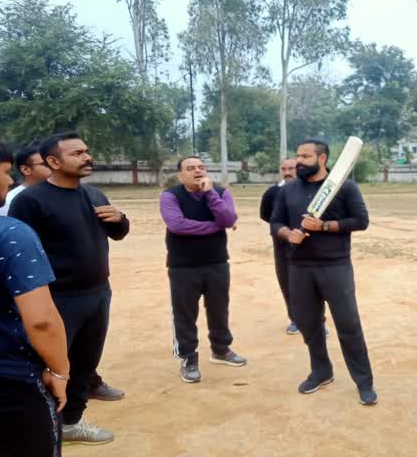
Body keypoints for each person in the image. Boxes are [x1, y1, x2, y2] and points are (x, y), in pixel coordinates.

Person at [9, 132, 129, 445]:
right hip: (56, 298)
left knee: (85, 363)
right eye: (76, 153)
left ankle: (72, 421)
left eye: (86, 151)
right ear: (53, 161)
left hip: (98, 293)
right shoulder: (30, 201)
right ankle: (40, 426)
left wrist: (120, 219)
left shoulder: (94, 195)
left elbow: (117, 234)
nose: (86, 157)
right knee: (49, 365)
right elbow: (19, 254)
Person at [270, 139, 376, 405]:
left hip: (335, 266)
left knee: (348, 325)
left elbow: (361, 221)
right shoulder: (288, 190)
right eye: (298, 155)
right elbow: (276, 222)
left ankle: (364, 382)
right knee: (309, 324)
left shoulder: (345, 187)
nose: (298, 161)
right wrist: (287, 233)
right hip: (299, 268)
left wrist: (324, 226)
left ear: (322, 159)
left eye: (305, 156)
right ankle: (321, 371)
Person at [0, 136, 70, 457]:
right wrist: (60, 371)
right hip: (7, 386)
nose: (9, 181)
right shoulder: (8, 235)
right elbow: (42, 321)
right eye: (6, 171)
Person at [160, 156, 246, 384]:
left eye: (201, 167)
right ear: (180, 175)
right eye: (190, 168)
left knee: (219, 309)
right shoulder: (170, 196)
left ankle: (221, 349)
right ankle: (188, 358)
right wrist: (215, 226)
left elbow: (228, 217)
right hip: (183, 266)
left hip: (217, 262)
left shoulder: (220, 192)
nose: (197, 171)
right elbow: (177, 225)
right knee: (185, 313)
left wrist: (210, 194)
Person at [259, 157, 298, 334]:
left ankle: (317, 321)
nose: (287, 172)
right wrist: (283, 229)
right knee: (287, 283)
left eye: (291, 168)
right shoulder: (272, 192)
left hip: (309, 246)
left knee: (312, 285)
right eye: (284, 168)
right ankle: (295, 320)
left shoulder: (312, 190)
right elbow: (266, 215)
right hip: (282, 247)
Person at [0, 145, 51, 216]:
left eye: (53, 161)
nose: (52, 166)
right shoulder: (10, 201)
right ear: (25, 169)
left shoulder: (60, 192)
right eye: (45, 164)